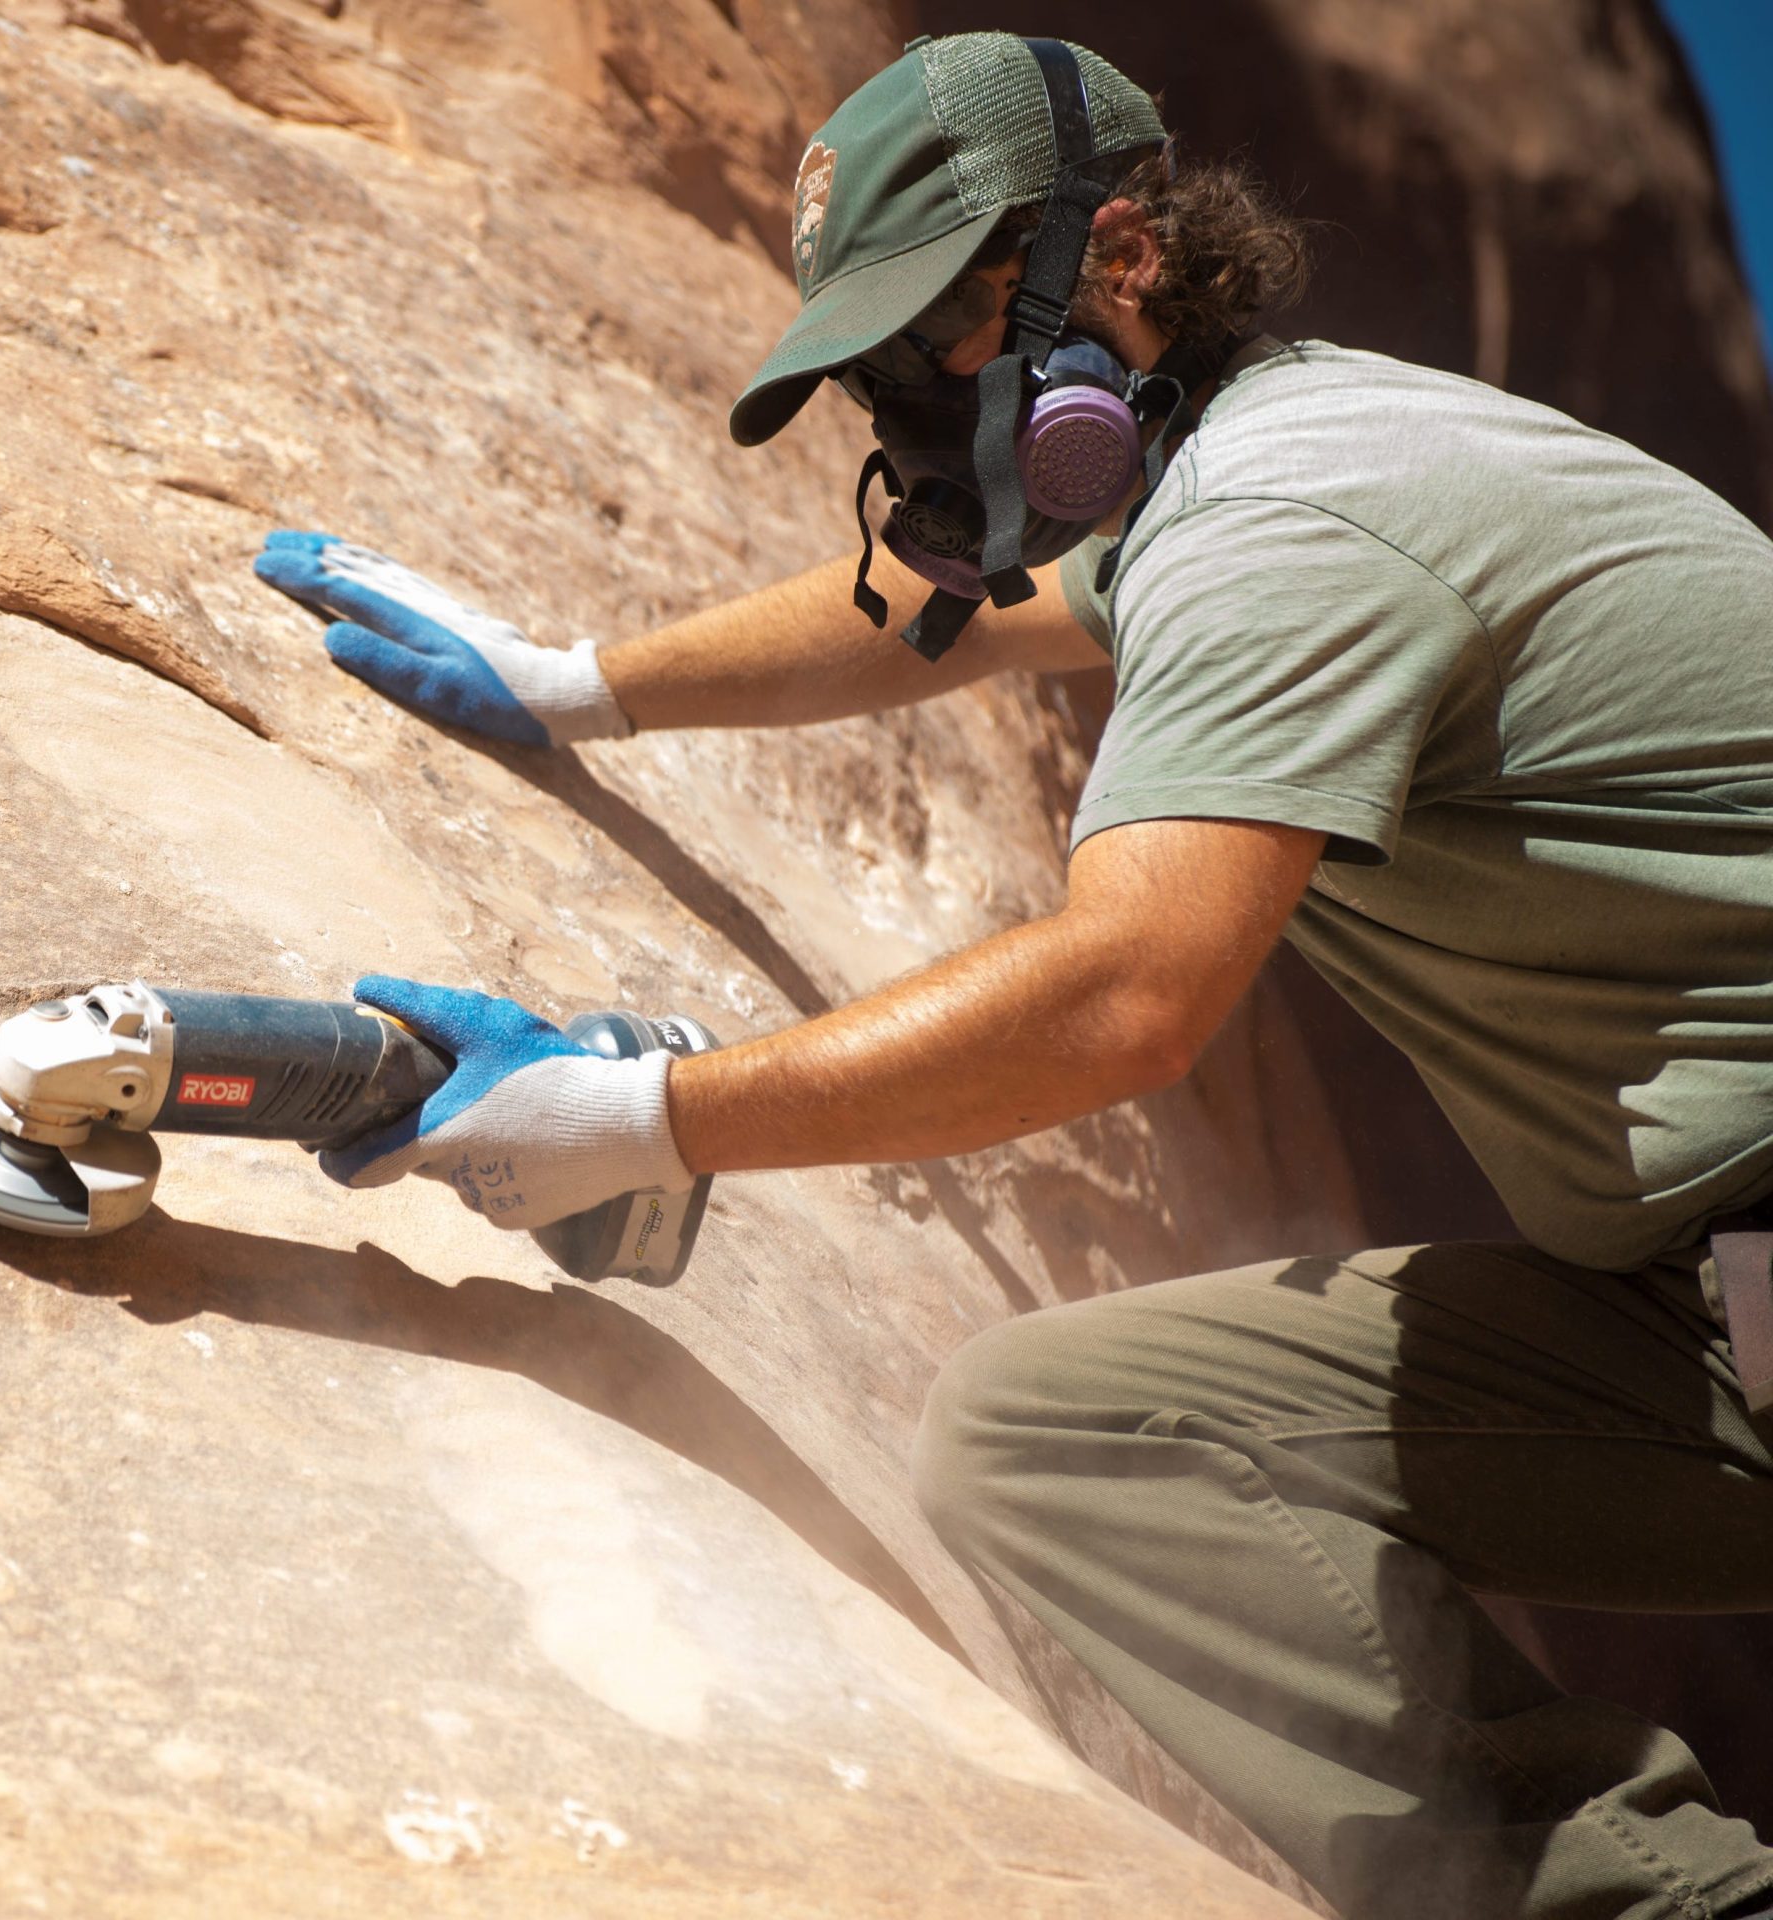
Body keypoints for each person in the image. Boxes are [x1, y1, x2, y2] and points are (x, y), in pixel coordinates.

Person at [252, 30, 1773, 1920]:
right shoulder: (1249, 466)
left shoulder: (1287, 517)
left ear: (1116, 260)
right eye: (866, 371)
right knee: (1063, 1441)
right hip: (1696, 1299)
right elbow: (972, 626)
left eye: (929, 342)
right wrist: (582, 682)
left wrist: (644, 1120)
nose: (902, 410)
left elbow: (1129, 996)